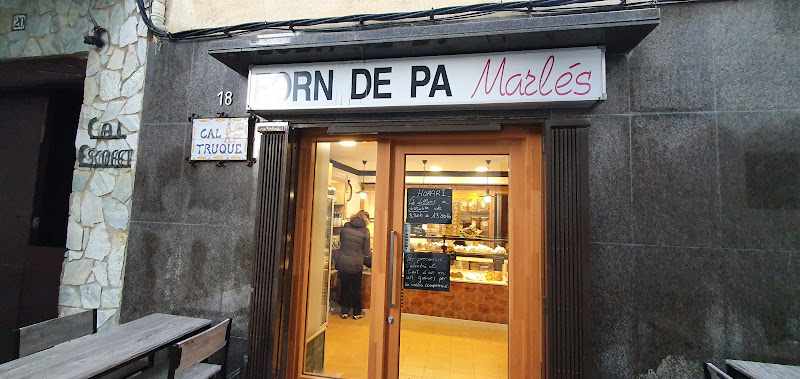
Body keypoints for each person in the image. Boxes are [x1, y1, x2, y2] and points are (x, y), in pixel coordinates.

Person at [336, 210, 371, 320]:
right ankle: (356, 312)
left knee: (345, 287)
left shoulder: (345, 227)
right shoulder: (365, 231)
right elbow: (366, 252)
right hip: (356, 264)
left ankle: (344, 311)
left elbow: (341, 243)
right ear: (365, 220)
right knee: (355, 288)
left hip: (343, 262)